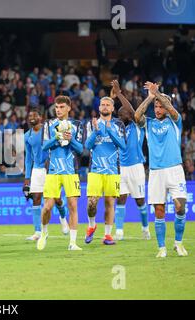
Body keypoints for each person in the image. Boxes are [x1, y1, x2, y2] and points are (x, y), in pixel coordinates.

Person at [134, 82, 188, 258]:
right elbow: (136, 115)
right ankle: (162, 247)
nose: (158, 109)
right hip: (156, 171)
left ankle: (178, 243)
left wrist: (158, 94)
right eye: (156, 107)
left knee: (180, 207)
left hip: (175, 170)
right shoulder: (148, 124)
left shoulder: (175, 121)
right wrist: (150, 97)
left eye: (160, 106)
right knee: (159, 210)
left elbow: (171, 110)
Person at [38, 95, 84, 251]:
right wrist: (56, 137)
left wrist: (71, 140)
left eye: (62, 107)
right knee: (47, 207)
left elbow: (80, 149)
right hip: (53, 171)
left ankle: (72, 243)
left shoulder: (76, 125)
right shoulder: (49, 125)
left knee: (72, 205)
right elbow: (44, 147)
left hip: (71, 171)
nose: (58, 110)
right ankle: (44, 233)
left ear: (69, 108)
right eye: (56, 107)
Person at [110, 80, 150, 241]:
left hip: (136, 167)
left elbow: (131, 111)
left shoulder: (137, 125)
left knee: (140, 200)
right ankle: (119, 231)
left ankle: (145, 228)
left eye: (123, 114)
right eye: (119, 115)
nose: (121, 116)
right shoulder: (117, 128)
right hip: (122, 168)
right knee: (121, 198)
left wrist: (119, 93)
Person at [85, 96, 126, 245]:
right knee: (91, 203)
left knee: (110, 203)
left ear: (112, 108)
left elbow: (123, 145)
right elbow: (87, 146)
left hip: (113, 170)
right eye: (102, 104)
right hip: (95, 170)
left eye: (108, 105)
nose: (105, 107)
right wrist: (96, 131)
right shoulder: (92, 124)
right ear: (99, 107)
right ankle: (91, 225)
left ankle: (107, 236)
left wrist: (110, 131)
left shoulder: (118, 125)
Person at [23, 108, 69, 242]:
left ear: (40, 117)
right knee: (36, 198)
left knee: (57, 198)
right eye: (29, 115)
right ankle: (38, 231)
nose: (31, 117)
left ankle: (62, 218)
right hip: (37, 170)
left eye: (34, 115)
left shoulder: (49, 130)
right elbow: (28, 158)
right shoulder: (27, 135)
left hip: (51, 169)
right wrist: (27, 178)